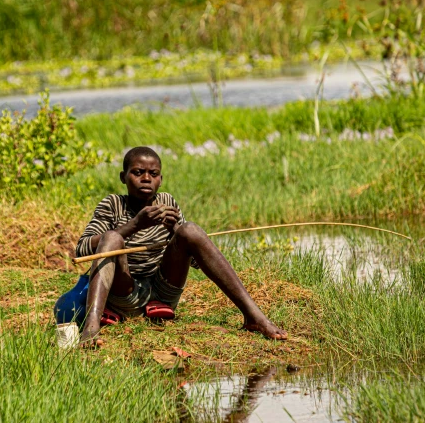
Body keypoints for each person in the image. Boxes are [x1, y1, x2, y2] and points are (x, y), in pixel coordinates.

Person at [75, 146, 287, 347]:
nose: (146, 178)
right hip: (124, 293)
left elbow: (195, 261)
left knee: (190, 230)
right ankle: (92, 325)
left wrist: (174, 229)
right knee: (111, 238)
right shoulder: (113, 204)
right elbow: (82, 248)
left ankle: (253, 315)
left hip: (163, 295)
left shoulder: (167, 201)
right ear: (123, 177)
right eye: (138, 172)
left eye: (153, 173)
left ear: (161, 179)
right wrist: (134, 226)